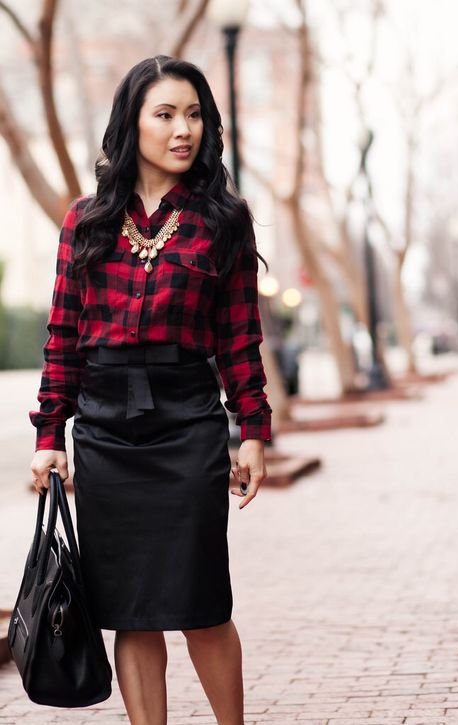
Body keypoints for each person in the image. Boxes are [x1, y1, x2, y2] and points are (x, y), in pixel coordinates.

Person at [28, 55, 272, 725]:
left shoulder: (223, 217)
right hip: (106, 433)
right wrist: (51, 436)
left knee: (200, 602)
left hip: (188, 423)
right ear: (132, 123)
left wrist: (251, 429)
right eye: (165, 113)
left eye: (193, 114)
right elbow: (63, 335)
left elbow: (239, 338)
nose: (182, 129)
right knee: (130, 610)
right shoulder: (87, 221)